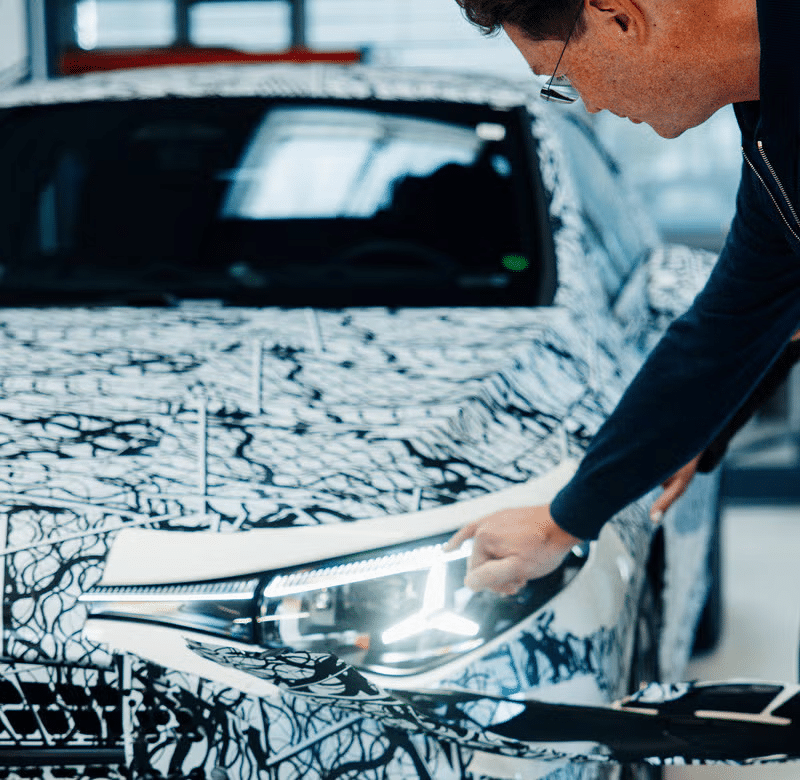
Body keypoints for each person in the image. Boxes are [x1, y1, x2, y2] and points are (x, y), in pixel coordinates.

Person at [445, 0, 800, 595]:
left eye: (562, 76)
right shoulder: (772, 141)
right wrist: (563, 522)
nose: (590, 103)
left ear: (621, 18)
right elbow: (729, 326)